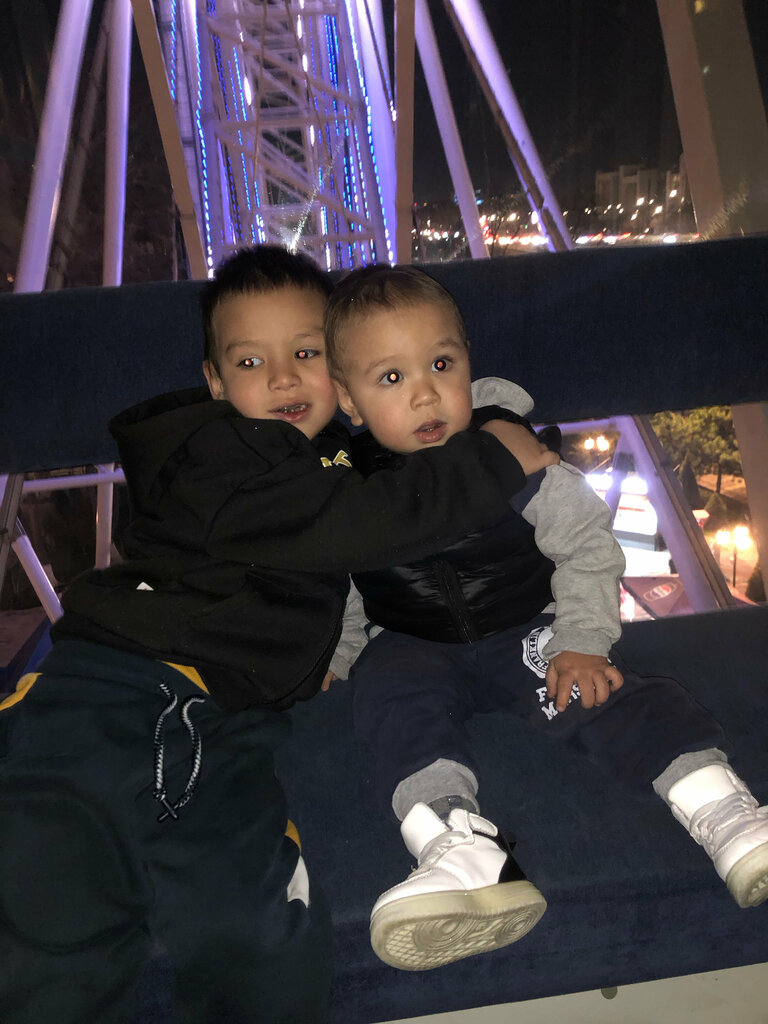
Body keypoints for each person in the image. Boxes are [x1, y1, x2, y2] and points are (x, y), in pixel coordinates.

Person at [0, 246, 556, 1024]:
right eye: (251, 361)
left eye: (307, 353)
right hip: (118, 685)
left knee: (266, 939)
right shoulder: (220, 457)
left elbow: (420, 434)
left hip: (232, 726)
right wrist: (493, 462)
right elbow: (359, 526)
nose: (285, 377)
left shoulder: (335, 458)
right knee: (50, 904)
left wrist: (494, 423)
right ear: (215, 382)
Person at [323, 262, 768, 973]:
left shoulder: (507, 453)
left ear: (469, 362)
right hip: (409, 639)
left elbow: (587, 544)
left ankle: (724, 809)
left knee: (606, 697)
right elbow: (343, 579)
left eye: (442, 364)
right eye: (391, 377)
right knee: (392, 705)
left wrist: (582, 640)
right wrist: (342, 654)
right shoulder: (346, 487)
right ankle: (458, 844)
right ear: (347, 399)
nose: (426, 393)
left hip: (520, 625)